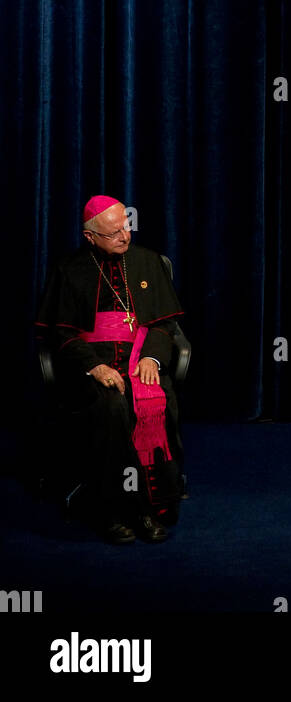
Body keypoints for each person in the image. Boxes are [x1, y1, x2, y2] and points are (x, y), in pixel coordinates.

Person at [36, 195, 184, 544]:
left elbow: (164, 325)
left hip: (140, 358)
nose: (125, 236)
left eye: (127, 226)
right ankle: (115, 510)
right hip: (92, 364)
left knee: (156, 398)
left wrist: (153, 357)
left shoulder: (148, 263)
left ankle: (151, 507)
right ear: (90, 237)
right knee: (111, 406)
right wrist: (94, 367)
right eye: (114, 232)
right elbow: (62, 332)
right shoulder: (69, 269)